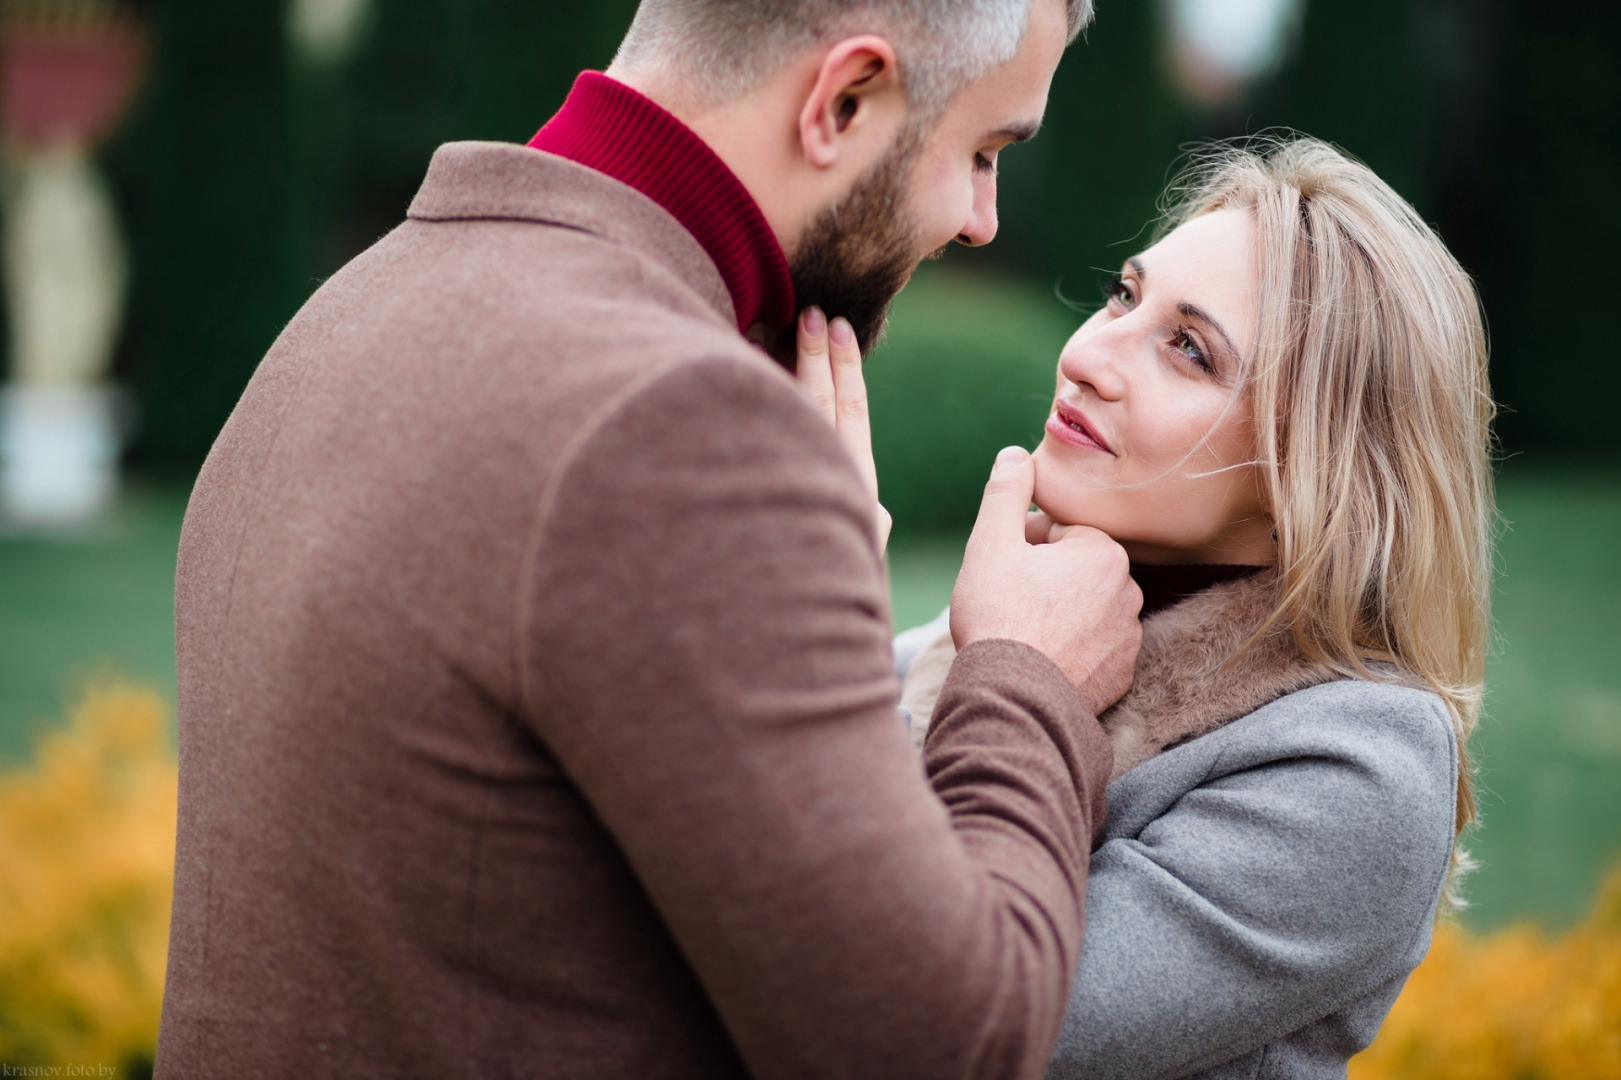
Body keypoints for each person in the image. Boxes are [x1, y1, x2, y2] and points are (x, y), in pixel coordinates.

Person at [154, 1, 1146, 1078]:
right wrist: (1024, 675)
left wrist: (807, 609)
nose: (979, 220)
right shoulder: (673, 421)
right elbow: (945, 1047)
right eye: (982, 151)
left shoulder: (351, 309)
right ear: (844, 100)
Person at [847, 136, 1492, 1078]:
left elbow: (937, 1038)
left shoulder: (1357, 767)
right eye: (1122, 295)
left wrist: (1018, 683)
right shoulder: (1033, 605)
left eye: (1188, 349)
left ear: (1309, 470)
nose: (1085, 355)